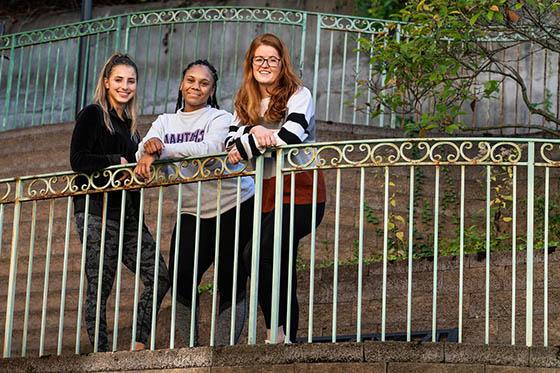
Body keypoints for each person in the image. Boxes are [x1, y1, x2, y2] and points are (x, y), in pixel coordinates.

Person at [135, 60, 254, 346]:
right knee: (181, 280)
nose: (195, 87)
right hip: (192, 209)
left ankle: (223, 350)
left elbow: (211, 149)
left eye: (203, 83)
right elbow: (142, 148)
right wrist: (150, 149)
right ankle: (190, 349)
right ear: (181, 84)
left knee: (230, 279)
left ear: (212, 90)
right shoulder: (165, 121)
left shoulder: (221, 118)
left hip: (234, 204)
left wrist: (163, 150)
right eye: (190, 80)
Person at [225, 33, 326, 343]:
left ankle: (276, 334)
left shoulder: (299, 94)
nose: (265, 65)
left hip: (302, 190)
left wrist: (249, 140)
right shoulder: (244, 99)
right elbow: (229, 144)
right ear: (250, 64)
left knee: (260, 251)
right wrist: (254, 133)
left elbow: (290, 137)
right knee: (268, 260)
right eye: (259, 60)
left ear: (282, 64)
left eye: (272, 59)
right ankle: (281, 335)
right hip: (268, 191)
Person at [70, 53, 170, 352]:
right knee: (100, 286)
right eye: (119, 80)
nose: (125, 86)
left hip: (129, 216)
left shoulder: (131, 125)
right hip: (97, 211)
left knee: (160, 276)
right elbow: (78, 160)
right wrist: (117, 161)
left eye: (131, 81)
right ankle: (101, 353)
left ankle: (138, 343)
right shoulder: (92, 114)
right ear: (106, 82)